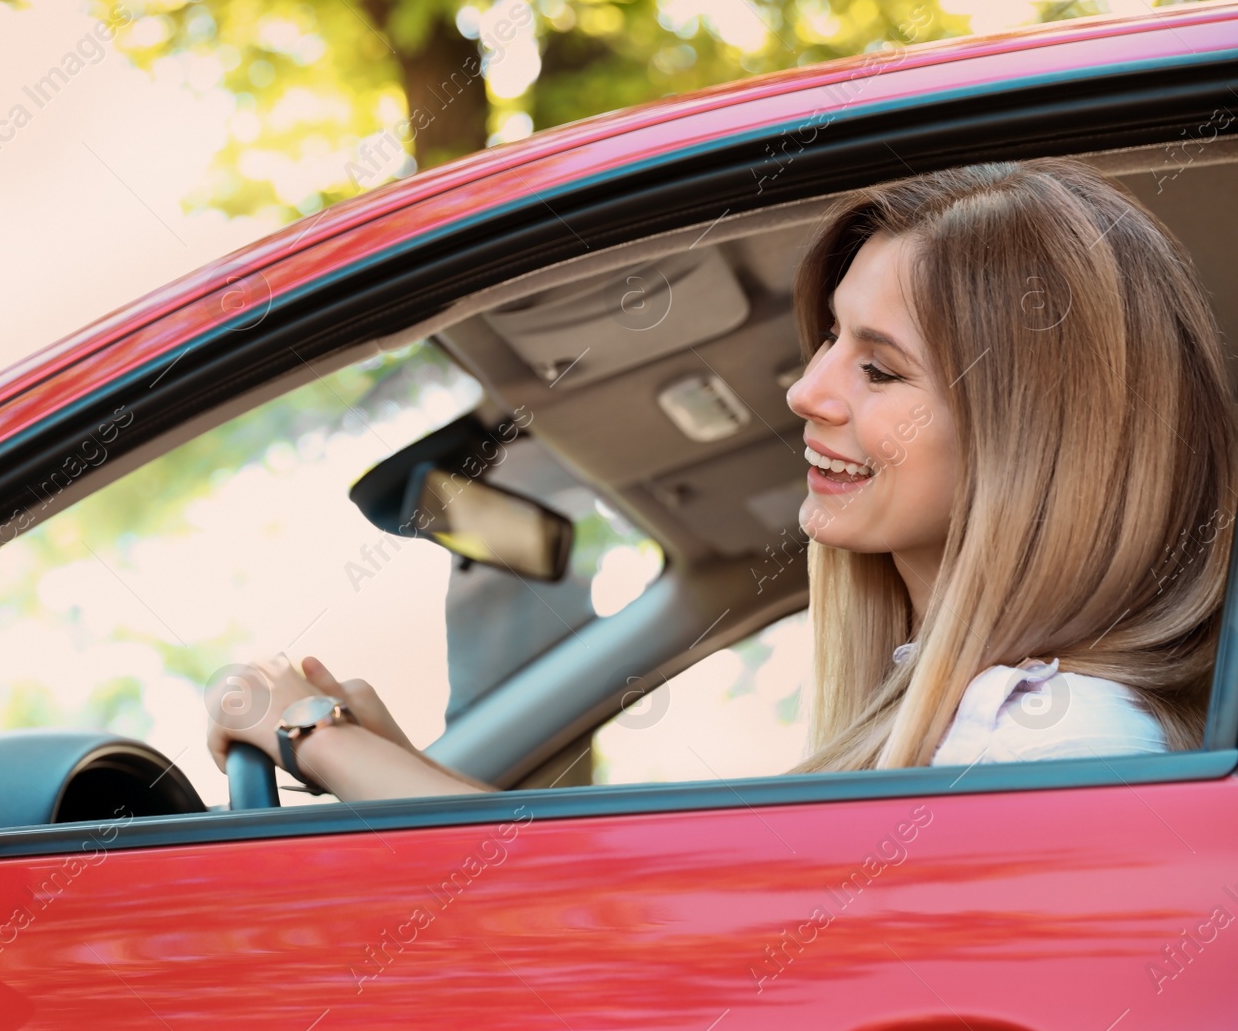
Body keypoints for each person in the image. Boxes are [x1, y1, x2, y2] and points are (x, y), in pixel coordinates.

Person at [205, 157, 1238, 799]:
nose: (806, 389)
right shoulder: (982, 716)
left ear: (1034, 437)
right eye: (829, 338)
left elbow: (635, 954)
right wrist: (386, 765)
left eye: (877, 368)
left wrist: (312, 739)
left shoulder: (1056, 742)